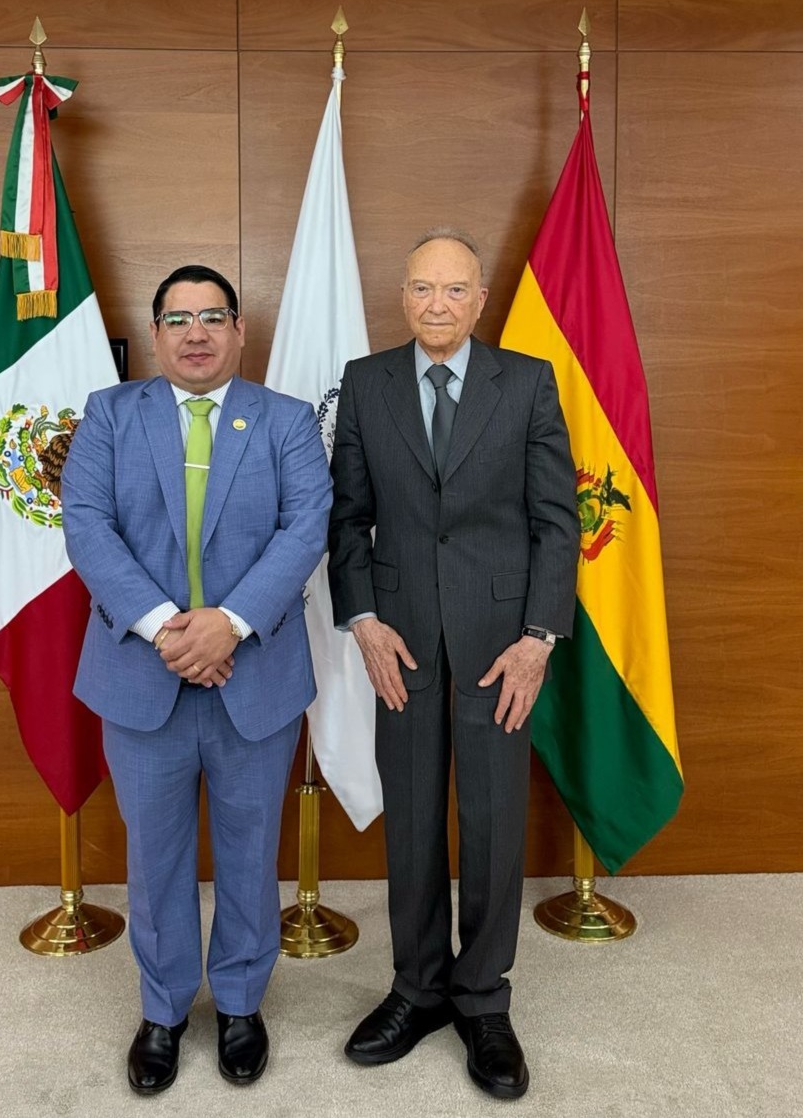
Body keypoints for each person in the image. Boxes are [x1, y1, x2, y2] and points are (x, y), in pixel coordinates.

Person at [61, 265, 331, 1094]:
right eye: (178, 319)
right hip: (143, 676)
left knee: (251, 853)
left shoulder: (285, 421)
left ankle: (243, 1002)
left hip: (254, 673)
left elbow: (305, 526)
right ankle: (165, 1008)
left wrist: (229, 624)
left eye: (214, 316)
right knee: (158, 854)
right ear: (156, 336)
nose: (197, 332)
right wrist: (167, 629)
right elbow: (89, 527)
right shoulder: (109, 415)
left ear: (240, 331)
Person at [327, 229, 579, 1100]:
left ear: (480, 300)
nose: (438, 303)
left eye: (455, 289)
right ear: (403, 296)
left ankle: (484, 999)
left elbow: (557, 522)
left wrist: (539, 637)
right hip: (399, 643)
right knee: (413, 825)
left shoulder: (529, 382)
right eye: (422, 287)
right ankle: (418, 988)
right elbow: (347, 518)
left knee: (494, 823)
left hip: (500, 645)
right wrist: (361, 619)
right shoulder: (366, 384)